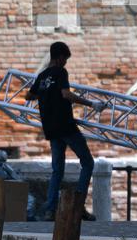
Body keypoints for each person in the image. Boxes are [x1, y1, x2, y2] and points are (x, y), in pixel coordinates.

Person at [26, 41, 106, 221]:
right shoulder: (60, 72)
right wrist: (93, 104)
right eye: (65, 59)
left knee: (57, 170)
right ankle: (78, 206)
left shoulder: (42, 76)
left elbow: (28, 96)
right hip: (65, 126)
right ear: (60, 57)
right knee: (87, 163)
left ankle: (50, 209)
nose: (66, 63)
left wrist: (45, 94)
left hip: (51, 129)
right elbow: (66, 94)